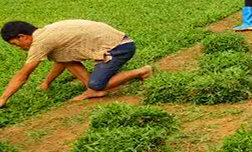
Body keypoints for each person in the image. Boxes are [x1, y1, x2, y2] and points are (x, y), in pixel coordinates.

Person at [0, 20, 152, 105]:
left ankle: (142, 71)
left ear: (23, 37)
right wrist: (46, 83)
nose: (17, 48)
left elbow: (23, 75)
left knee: (98, 84)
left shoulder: (41, 42)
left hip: (119, 47)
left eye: (15, 44)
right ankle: (92, 89)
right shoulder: (46, 32)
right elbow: (61, 61)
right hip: (119, 42)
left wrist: (3, 98)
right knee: (65, 59)